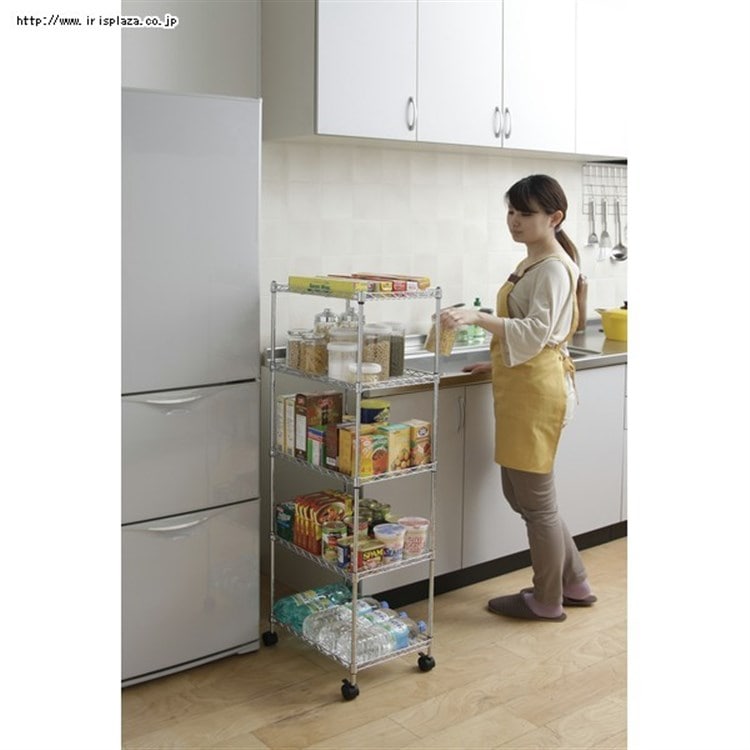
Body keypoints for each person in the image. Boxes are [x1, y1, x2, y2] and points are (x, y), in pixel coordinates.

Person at [440, 174, 596, 622]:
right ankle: (575, 582)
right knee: (523, 495)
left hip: (537, 396)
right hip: (524, 386)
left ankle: (547, 599)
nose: (515, 221)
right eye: (511, 211)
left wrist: (478, 318)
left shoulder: (552, 267)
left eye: (526, 213)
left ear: (555, 217)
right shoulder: (535, 261)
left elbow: (536, 331)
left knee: (536, 503)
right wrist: (496, 364)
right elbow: (535, 335)